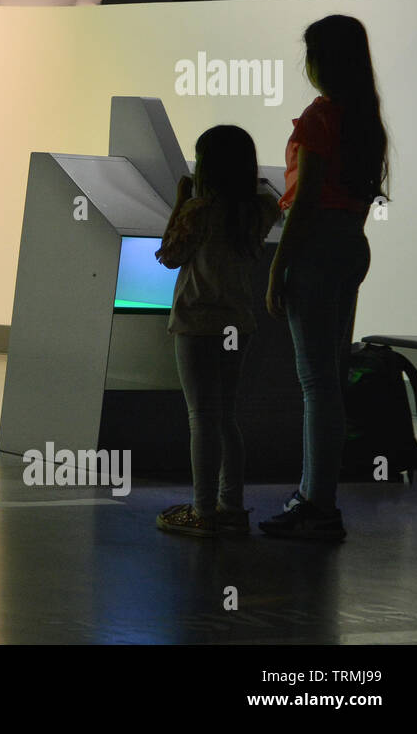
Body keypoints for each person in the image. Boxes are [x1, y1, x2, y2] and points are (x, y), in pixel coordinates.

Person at [261, 15, 389, 541]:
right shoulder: (366, 119)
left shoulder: (319, 118)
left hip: (314, 250)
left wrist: (277, 268)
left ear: (323, 61)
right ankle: (318, 498)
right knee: (329, 381)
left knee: (316, 385)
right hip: (350, 246)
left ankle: (316, 502)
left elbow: (307, 200)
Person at [154, 126, 281, 537]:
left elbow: (168, 255)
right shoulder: (259, 209)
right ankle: (232, 506)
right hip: (237, 324)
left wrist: (180, 202)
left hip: (196, 323)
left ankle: (202, 510)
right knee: (227, 416)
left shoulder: (199, 211)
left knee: (201, 417)